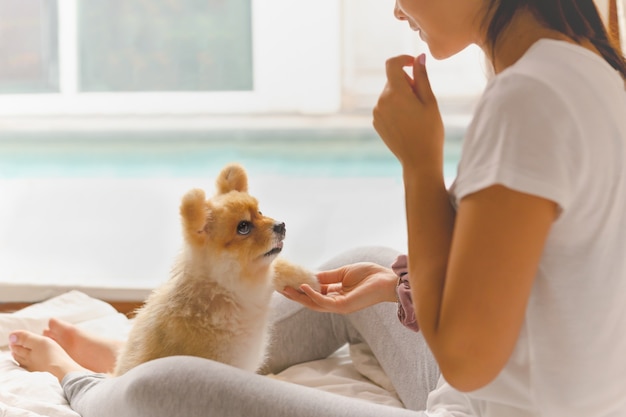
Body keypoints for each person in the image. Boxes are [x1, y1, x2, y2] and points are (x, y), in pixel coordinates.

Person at [9, 0, 626, 416]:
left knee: (154, 388)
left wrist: (419, 166)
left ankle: (89, 378)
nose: (394, 7)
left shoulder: (527, 98)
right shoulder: (588, 71)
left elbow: (465, 360)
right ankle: (151, 345)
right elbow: (539, 295)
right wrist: (393, 287)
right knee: (365, 264)